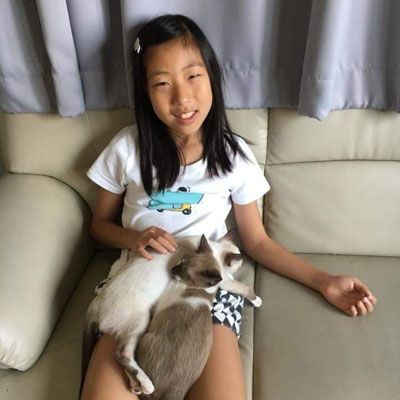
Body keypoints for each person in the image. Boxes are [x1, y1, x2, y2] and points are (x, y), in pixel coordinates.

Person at [80, 14, 377, 400]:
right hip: (136, 284)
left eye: (193, 76)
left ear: (212, 77)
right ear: (145, 91)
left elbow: (257, 241)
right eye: (162, 83)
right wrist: (133, 238)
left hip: (205, 289)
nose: (182, 98)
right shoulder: (126, 148)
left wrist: (324, 281)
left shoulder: (233, 155)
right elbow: (99, 225)